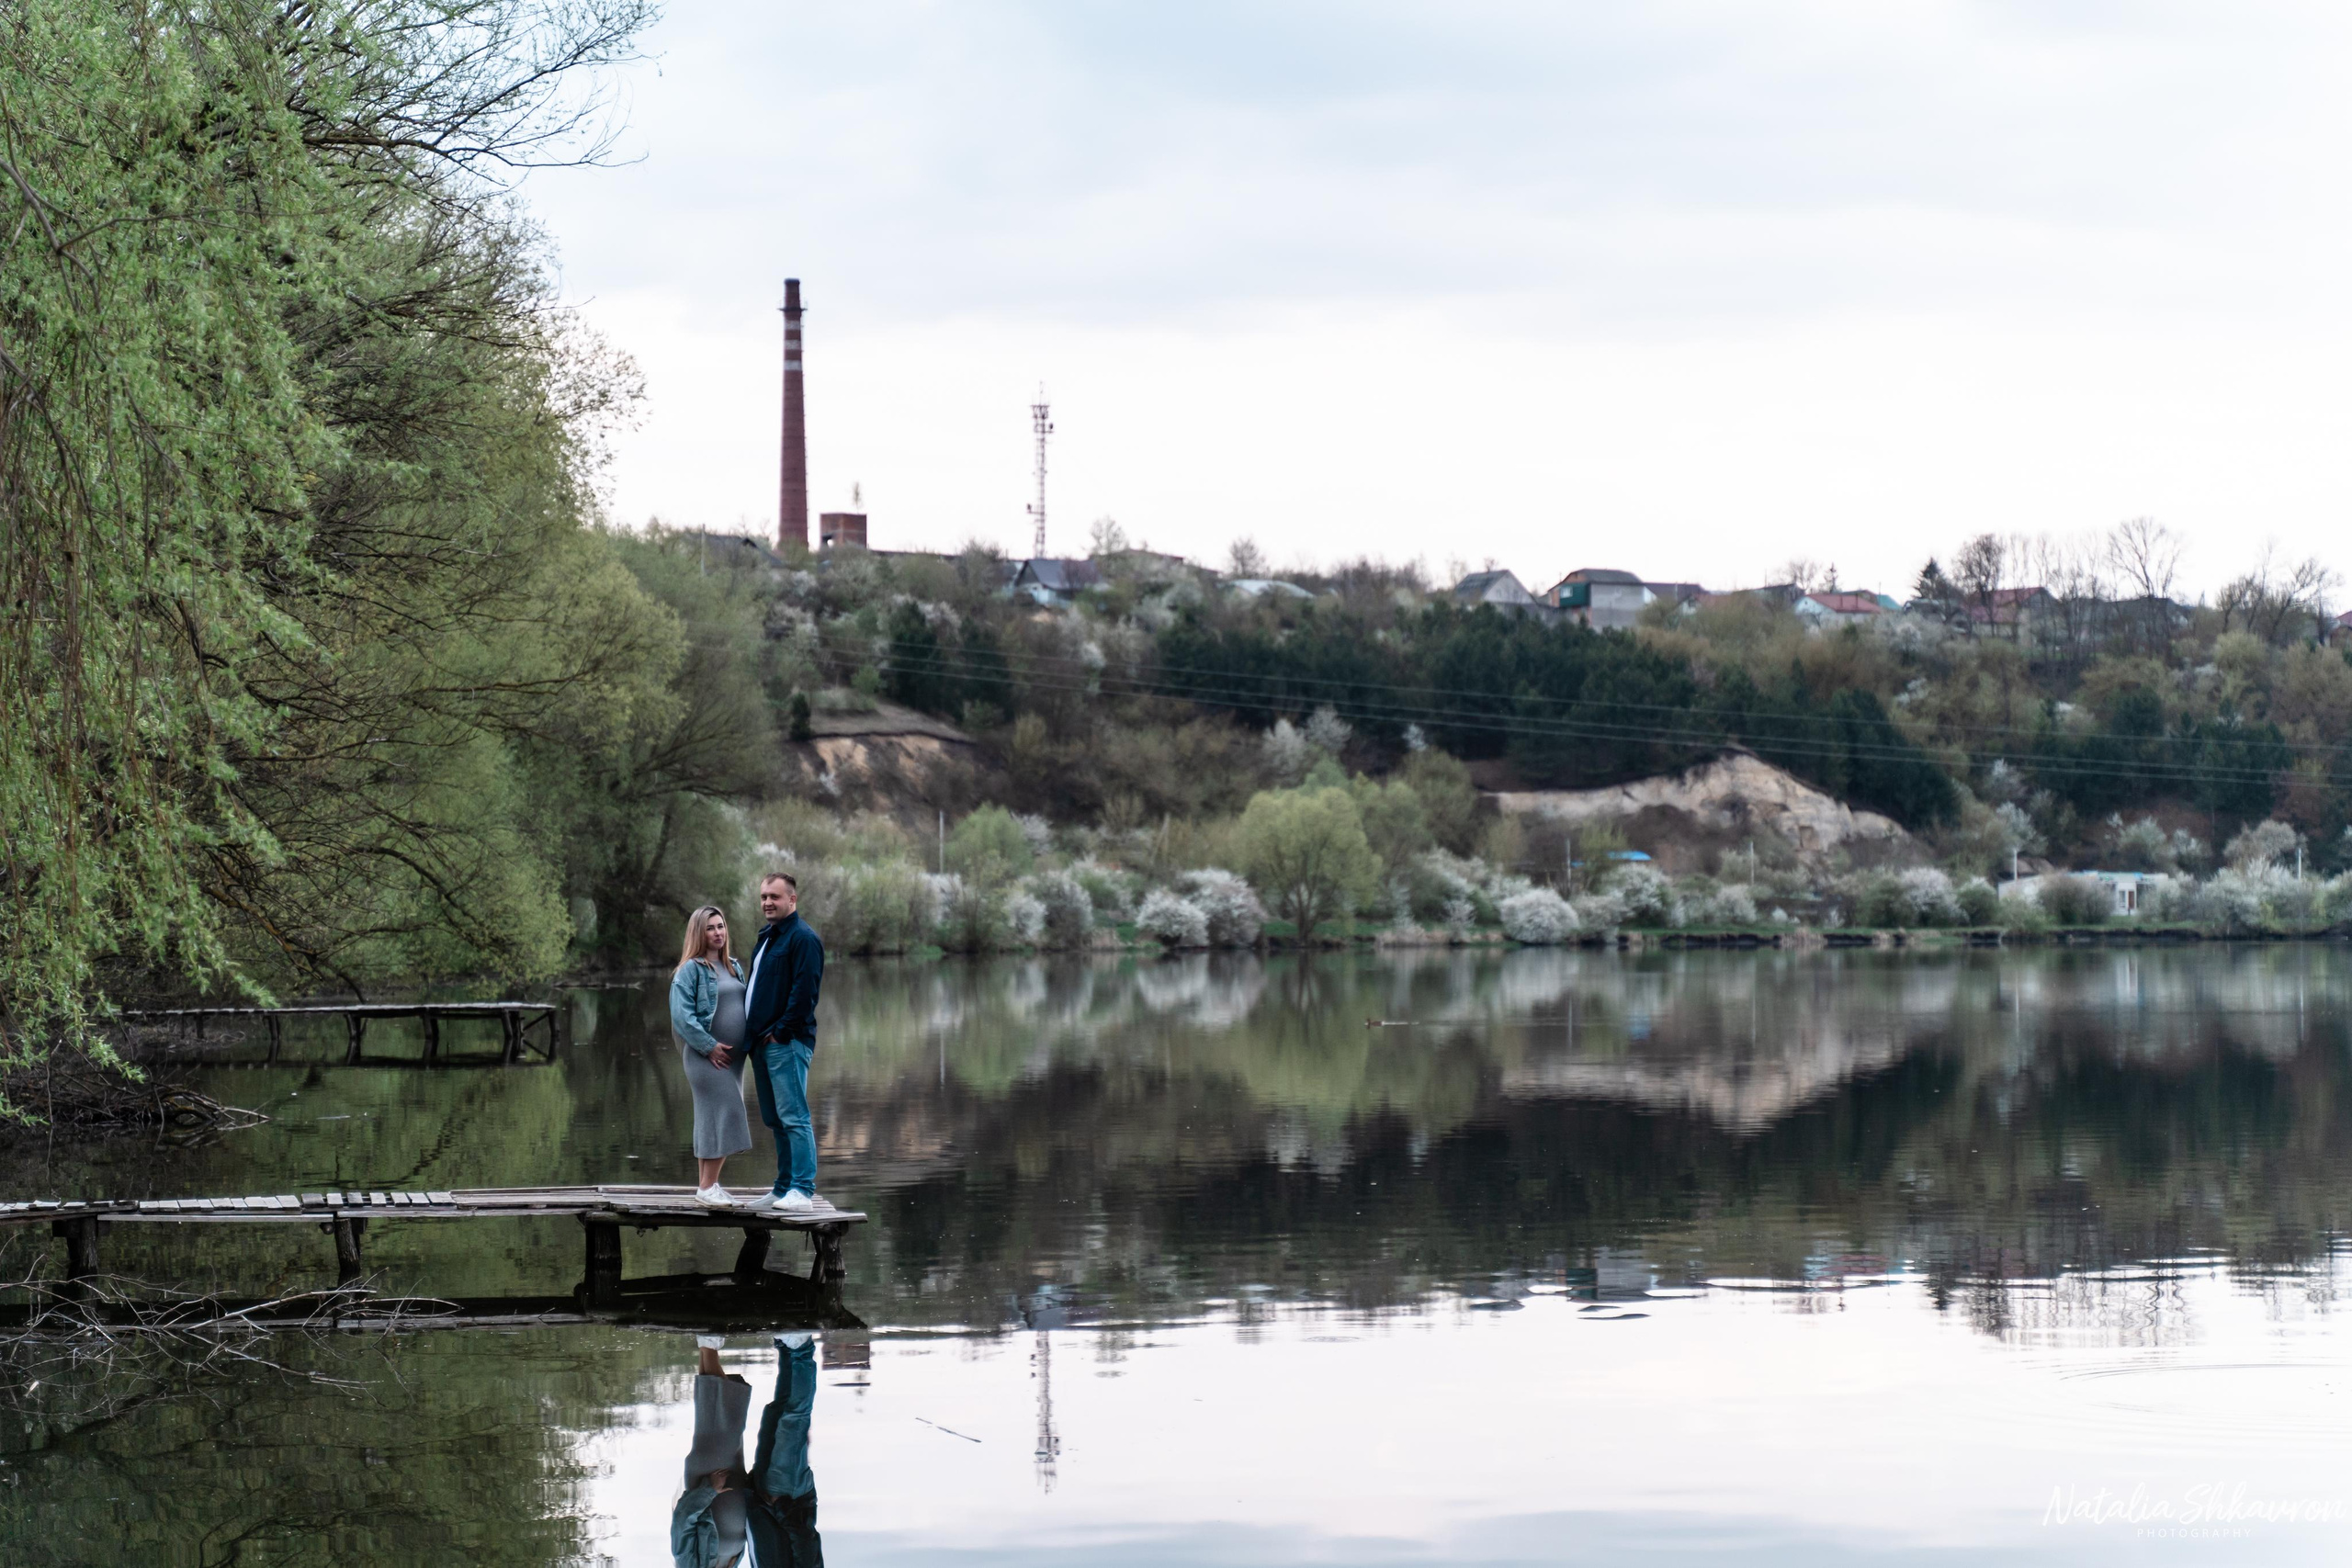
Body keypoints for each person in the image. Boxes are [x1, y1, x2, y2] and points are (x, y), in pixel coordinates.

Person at [741, 872, 827, 1213]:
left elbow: (806, 993)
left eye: (774, 897)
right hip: (762, 1043)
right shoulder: (768, 937)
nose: (767, 903)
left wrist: (781, 1032)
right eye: (763, 897)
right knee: (775, 1118)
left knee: (794, 1116)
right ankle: (782, 1188)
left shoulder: (803, 939)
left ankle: (802, 1191)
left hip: (785, 1042)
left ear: (792, 900)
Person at [670, 905, 752, 1207]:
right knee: (727, 1111)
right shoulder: (690, 970)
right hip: (706, 1057)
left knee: (710, 1117)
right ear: (698, 932)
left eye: (721, 926)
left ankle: (707, 1187)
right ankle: (707, 1187)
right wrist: (709, 1046)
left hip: (733, 1060)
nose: (718, 933)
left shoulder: (733, 966)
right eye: (710, 928)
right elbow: (682, 1018)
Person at [671, 1336, 752, 1568]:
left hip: (710, 1476)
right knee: (717, 1414)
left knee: (722, 1419)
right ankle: (706, 1343)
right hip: (733, 1476)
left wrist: (709, 1489)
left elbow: (682, 1521)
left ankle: (709, 1342)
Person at [746, 1332, 823, 1566]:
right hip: (788, 1496)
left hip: (765, 1494)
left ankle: (786, 1349)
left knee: (776, 1414)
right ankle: (802, 1350)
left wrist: (751, 1491)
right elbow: (806, 1543)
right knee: (794, 1420)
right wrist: (782, 1507)